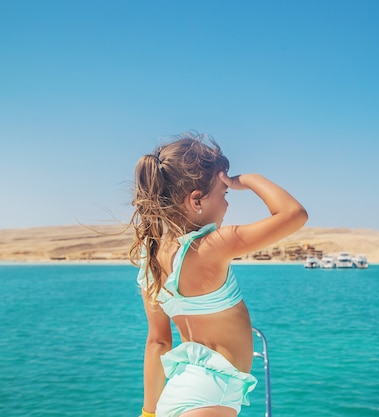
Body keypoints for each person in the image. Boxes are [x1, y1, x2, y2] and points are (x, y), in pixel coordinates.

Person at [129, 133, 308, 417]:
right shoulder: (212, 246)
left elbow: (159, 343)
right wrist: (248, 179)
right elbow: (294, 214)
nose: (227, 203)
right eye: (224, 193)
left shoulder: (149, 261)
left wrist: (149, 412)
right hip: (210, 396)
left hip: (175, 394)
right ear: (196, 200)